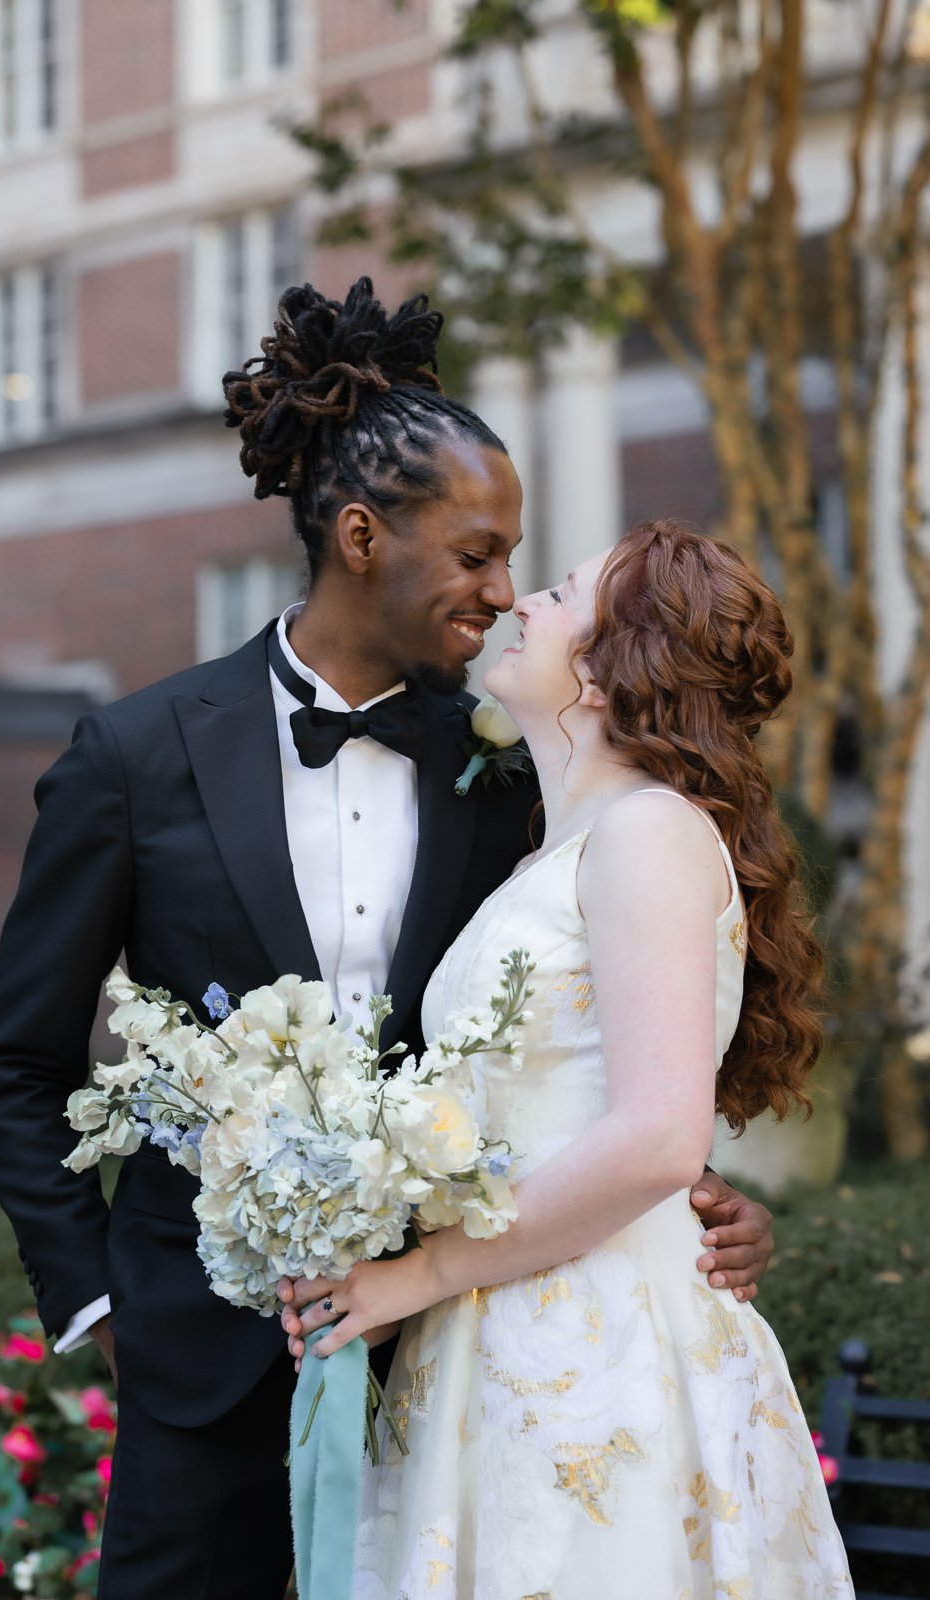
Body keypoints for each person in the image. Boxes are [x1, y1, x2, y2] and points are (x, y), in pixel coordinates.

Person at [0, 282, 773, 1599]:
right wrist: (103, 1307)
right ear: (359, 535)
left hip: (453, 1345)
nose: (503, 593)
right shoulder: (133, 753)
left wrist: (688, 1199)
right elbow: (17, 1063)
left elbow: (591, 1038)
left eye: (518, 561)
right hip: (196, 1355)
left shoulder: (516, 773)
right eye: (476, 554)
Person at [281, 520, 854, 1598]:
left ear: (604, 668)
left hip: (597, 1356)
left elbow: (656, 1138)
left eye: (557, 593)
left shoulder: (649, 832)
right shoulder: (567, 844)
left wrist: (415, 1275)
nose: (521, 605)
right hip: (499, 1332)